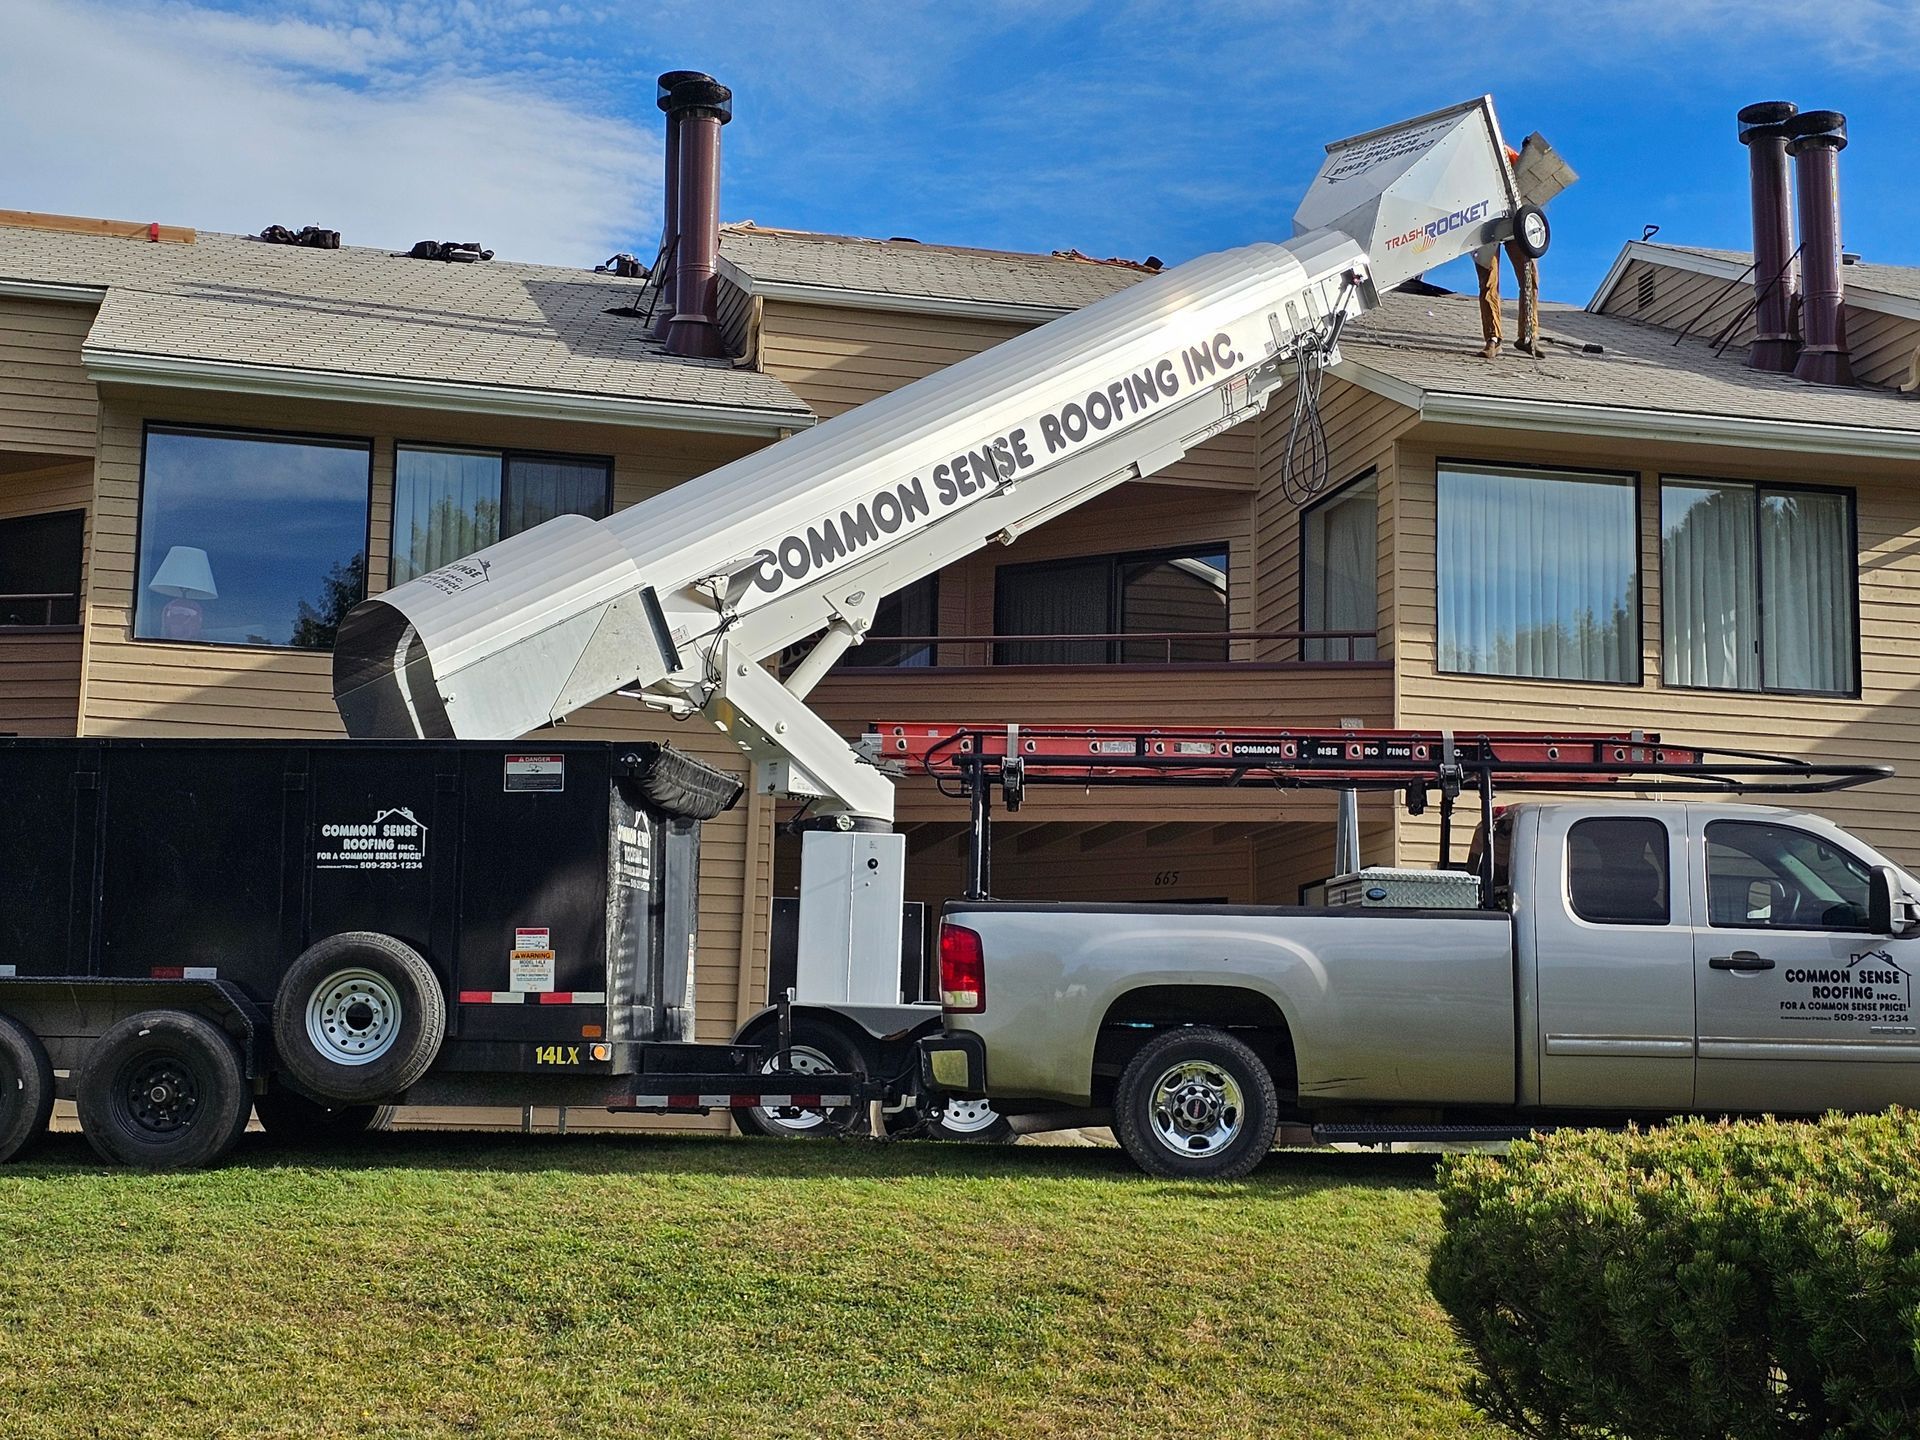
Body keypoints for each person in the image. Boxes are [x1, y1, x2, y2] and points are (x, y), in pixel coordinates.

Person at [1475, 144, 1539, 360]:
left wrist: (1528, 154)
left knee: (1529, 278)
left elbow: (1526, 172)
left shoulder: (1501, 149)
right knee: (1488, 281)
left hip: (1512, 221)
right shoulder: (1467, 159)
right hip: (1483, 223)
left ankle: (1528, 337)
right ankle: (1493, 339)